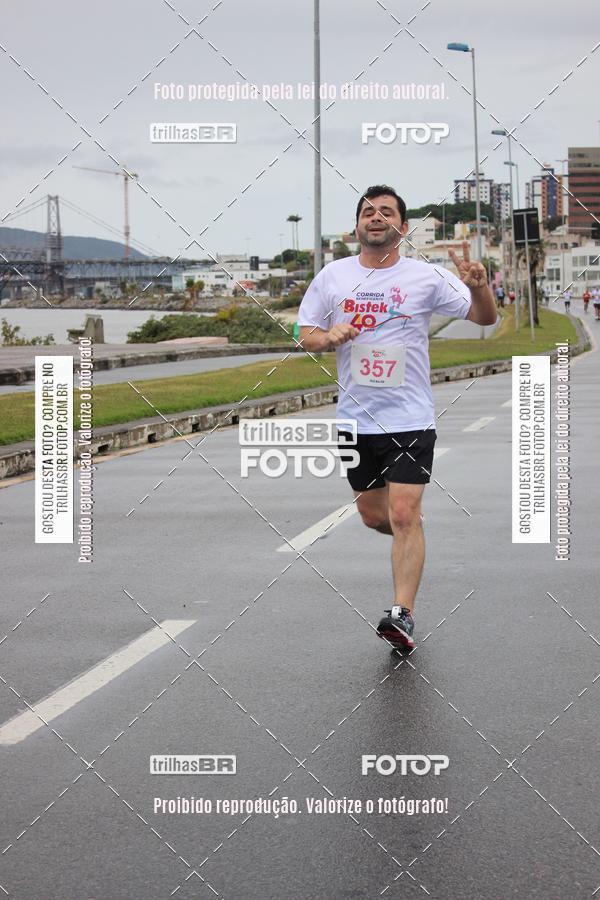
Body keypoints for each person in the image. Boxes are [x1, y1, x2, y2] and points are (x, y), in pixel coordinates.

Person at [297, 185, 496, 650]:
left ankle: (401, 612)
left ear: (402, 228)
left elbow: (484, 318)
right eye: (368, 211)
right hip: (354, 420)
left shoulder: (424, 277)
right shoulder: (333, 276)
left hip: (409, 416)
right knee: (374, 517)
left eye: (387, 211)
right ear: (357, 227)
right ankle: (412, 536)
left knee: (403, 512)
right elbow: (304, 332)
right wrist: (327, 338)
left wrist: (478, 286)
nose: (376, 217)